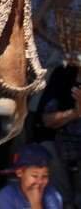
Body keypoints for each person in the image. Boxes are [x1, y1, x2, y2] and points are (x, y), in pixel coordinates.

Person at [32, 58, 81, 207]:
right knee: (46, 151)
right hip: (59, 141)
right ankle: (64, 203)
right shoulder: (63, 73)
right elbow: (46, 120)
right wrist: (75, 112)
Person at [0, 143, 63, 209]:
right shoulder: (7, 195)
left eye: (45, 176)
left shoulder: (51, 194)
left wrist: (36, 204)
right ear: (19, 173)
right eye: (35, 175)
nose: (40, 181)